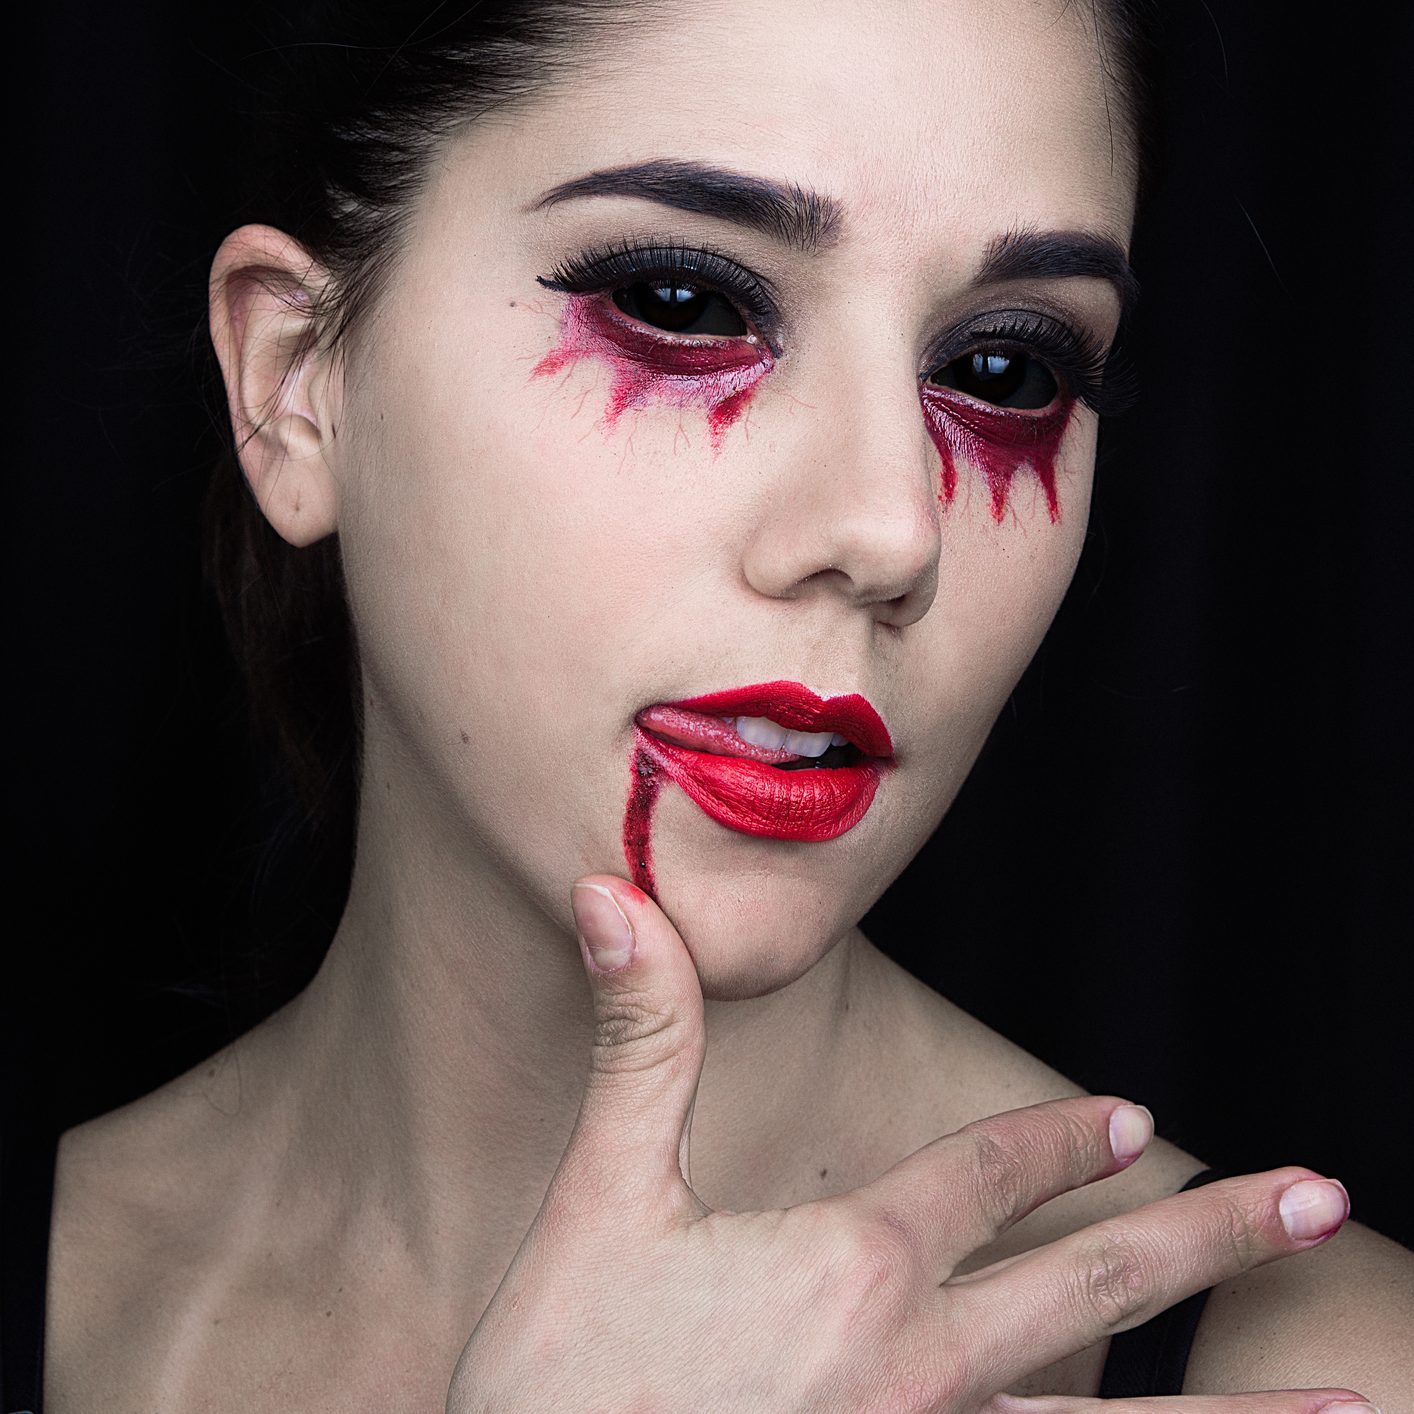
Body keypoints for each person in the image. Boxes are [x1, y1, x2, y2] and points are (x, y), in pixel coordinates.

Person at [11, 0, 1411, 1408]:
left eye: (1005, 371)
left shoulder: (1325, 1373)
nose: (887, 529)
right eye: (684, 302)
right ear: (295, 382)